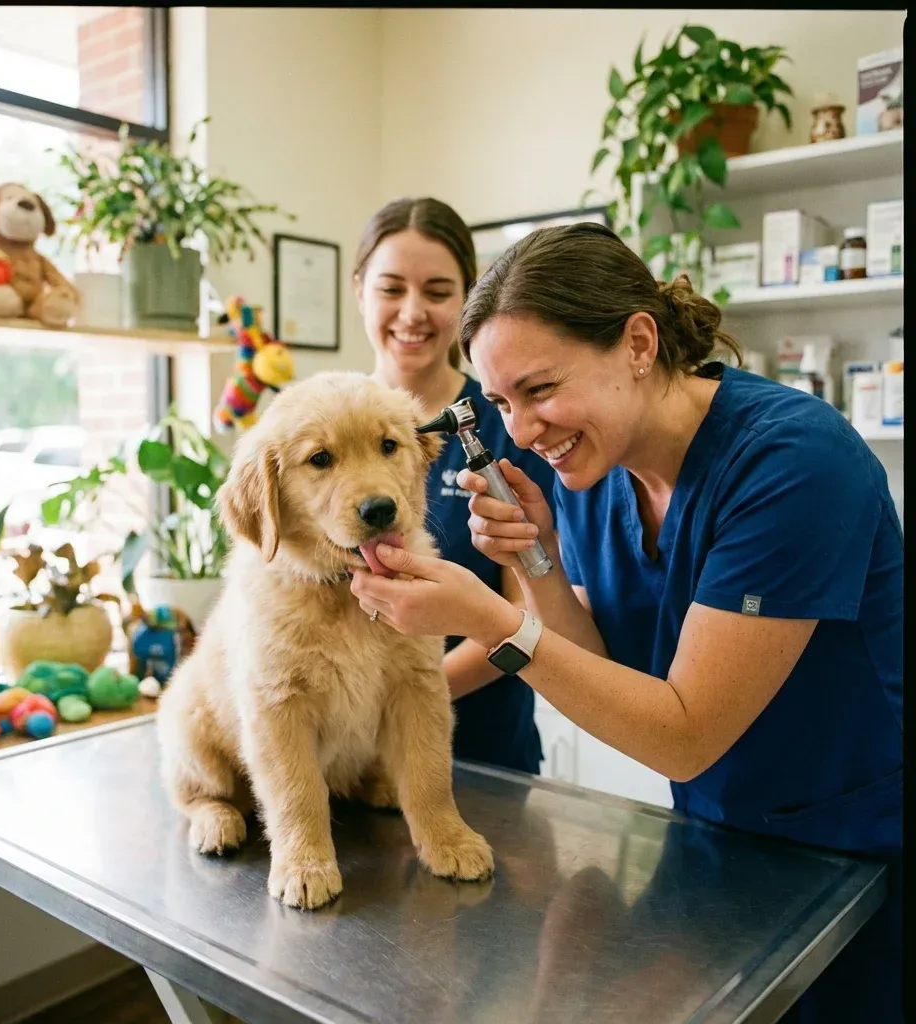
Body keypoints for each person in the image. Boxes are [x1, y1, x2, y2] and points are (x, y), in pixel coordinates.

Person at [350, 222, 903, 1023]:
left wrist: (488, 617)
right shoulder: (596, 472)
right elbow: (604, 669)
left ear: (639, 343)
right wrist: (538, 559)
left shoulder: (793, 463)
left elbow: (683, 732)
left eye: (540, 389)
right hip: (718, 842)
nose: (523, 432)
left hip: (861, 860)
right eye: (502, 403)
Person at [352, 196, 557, 774]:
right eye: (391, 289)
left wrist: (407, 704)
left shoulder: (508, 424)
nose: (412, 312)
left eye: (438, 291)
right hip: (346, 757)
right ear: (360, 291)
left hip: (482, 756)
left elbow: (531, 608)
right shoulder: (325, 425)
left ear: (467, 297)